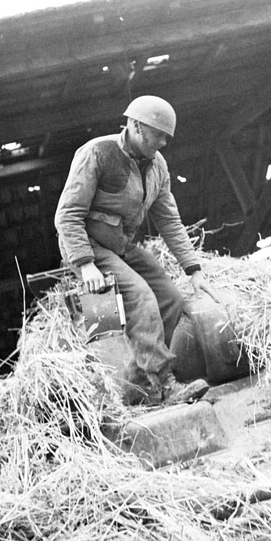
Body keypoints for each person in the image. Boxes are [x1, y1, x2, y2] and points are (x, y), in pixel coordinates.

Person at [55, 95, 220, 405]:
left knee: (169, 298)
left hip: (118, 244)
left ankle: (140, 384)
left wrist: (193, 269)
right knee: (140, 295)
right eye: (158, 134)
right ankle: (166, 384)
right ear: (134, 126)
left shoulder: (158, 166)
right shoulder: (97, 153)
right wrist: (86, 264)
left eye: (167, 137)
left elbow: (168, 219)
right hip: (86, 245)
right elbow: (67, 215)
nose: (163, 142)